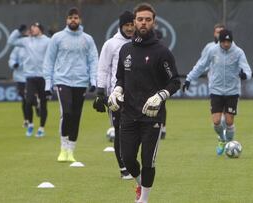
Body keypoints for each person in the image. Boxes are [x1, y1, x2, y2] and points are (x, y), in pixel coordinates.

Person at [108, 3, 180, 203]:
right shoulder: (125, 49)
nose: (143, 23)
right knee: (128, 159)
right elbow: (120, 77)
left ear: (153, 22)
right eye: (140, 19)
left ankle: (144, 199)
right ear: (134, 22)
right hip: (128, 114)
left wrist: (162, 95)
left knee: (148, 160)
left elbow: (175, 81)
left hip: (152, 116)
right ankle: (140, 184)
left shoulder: (162, 52)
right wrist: (117, 90)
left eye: (148, 19)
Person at [182, 29, 252, 155]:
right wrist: (189, 78)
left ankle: (229, 145)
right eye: (223, 41)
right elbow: (201, 65)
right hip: (216, 90)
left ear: (231, 41)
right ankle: (221, 138)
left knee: (229, 122)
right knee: (216, 121)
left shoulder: (238, 52)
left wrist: (245, 75)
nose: (226, 44)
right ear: (219, 41)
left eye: (228, 42)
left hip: (232, 91)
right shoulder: (212, 51)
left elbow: (247, 69)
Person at [43, 7, 98, 162]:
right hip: (62, 80)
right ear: (66, 20)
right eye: (70, 18)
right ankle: (63, 148)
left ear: (80, 20)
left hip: (81, 81)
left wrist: (93, 80)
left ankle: (71, 151)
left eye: (76, 17)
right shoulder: (57, 38)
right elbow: (49, 60)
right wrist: (48, 84)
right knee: (66, 113)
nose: (73, 20)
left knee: (76, 115)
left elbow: (93, 60)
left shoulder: (87, 39)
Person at [93, 11, 135, 179]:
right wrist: (100, 91)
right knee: (119, 131)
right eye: (127, 25)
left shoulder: (139, 43)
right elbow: (102, 68)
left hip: (136, 95)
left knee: (135, 132)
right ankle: (123, 167)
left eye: (132, 25)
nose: (130, 28)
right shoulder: (110, 44)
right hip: (115, 96)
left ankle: (131, 161)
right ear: (121, 26)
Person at [8, 22, 50, 137]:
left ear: (40, 29)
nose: (32, 29)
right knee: (28, 101)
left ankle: (41, 128)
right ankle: (30, 124)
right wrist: (18, 31)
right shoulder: (27, 41)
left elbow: (56, 51)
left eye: (34, 27)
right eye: (31, 27)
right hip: (30, 77)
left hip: (43, 77)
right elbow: (10, 41)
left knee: (44, 104)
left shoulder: (47, 41)